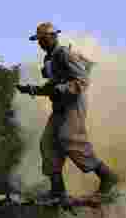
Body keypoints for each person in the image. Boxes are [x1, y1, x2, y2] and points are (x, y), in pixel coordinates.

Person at [17, 22, 119, 201]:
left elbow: (83, 80)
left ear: (53, 37)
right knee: (47, 142)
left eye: (43, 39)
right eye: (39, 40)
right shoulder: (49, 59)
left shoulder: (64, 53)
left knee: (69, 137)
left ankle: (107, 177)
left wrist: (62, 89)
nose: (40, 43)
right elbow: (52, 86)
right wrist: (31, 90)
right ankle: (57, 189)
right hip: (59, 106)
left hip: (73, 104)